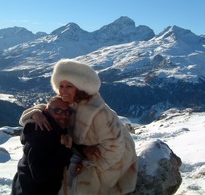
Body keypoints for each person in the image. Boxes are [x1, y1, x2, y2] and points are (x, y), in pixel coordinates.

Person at [19, 59, 138, 195]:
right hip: (84, 151)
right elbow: (51, 107)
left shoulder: (99, 113)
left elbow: (115, 148)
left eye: (69, 86)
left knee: (73, 188)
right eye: (61, 86)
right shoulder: (68, 100)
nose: (63, 91)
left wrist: (89, 164)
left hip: (110, 158)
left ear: (80, 87)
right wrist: (36, 113)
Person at [11, 96, 73, 195]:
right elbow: (40, 174)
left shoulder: (55, 129)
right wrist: (65, 151)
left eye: (67, 111)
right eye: (58, 111)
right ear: (47, 112)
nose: (64, 115)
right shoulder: (38, 135)